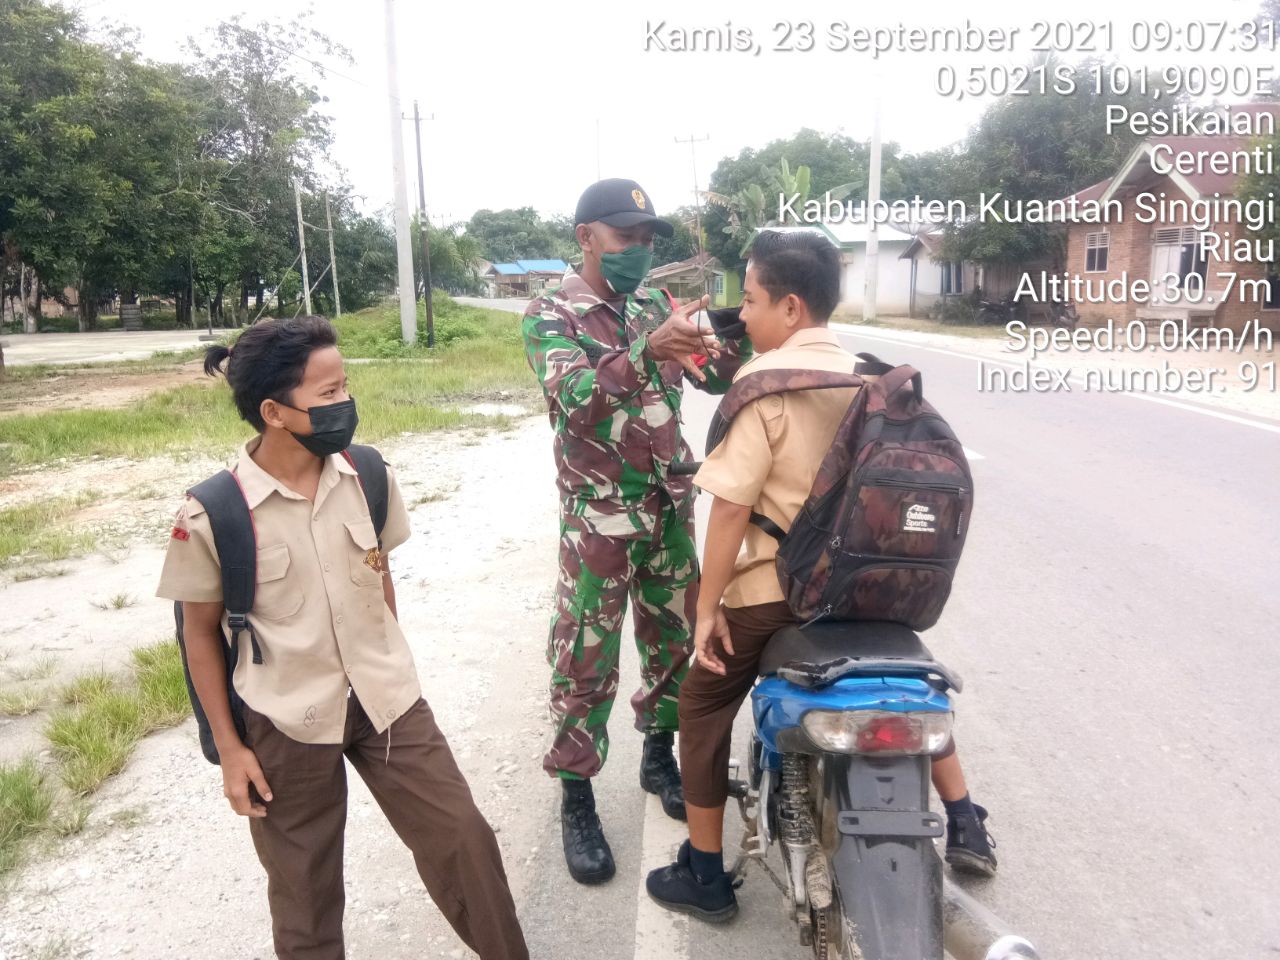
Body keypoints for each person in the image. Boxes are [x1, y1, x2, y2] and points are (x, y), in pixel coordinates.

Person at [646, 231, 997, 921]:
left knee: (703, 704)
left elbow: (729, 511)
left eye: (749, 300)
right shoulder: (874, 377)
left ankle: (707, 876)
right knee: (903, 677)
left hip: (779, 596)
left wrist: (709, 607)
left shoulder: (765, 382)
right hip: (867, 593)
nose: (741, 316)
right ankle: (965, 820)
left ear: (791, 307)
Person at [157, 316, 529, 960]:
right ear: (273, 411)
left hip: (387, 702)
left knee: (463, 839)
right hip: (285, 719)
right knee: (305, 894)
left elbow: (379, 580)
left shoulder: (368, 475)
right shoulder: (213, 513)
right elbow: (198, 636)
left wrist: (387, 656)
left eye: (345, 387)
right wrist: (230, 748)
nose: (345, 405)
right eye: (327, 395)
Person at [522, 178, 752, 884]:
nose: (640, 251)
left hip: (668, 505)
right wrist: (650, 351)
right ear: (587, 237)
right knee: (585, 656)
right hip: (599, 515)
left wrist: (730, 341)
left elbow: (713, 379)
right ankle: (577, 796)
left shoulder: (656, 303)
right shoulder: (549, 313)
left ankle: (660, 754)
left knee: (675, 641)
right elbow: (576, 401)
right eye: (627, 239)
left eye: (649, 239)